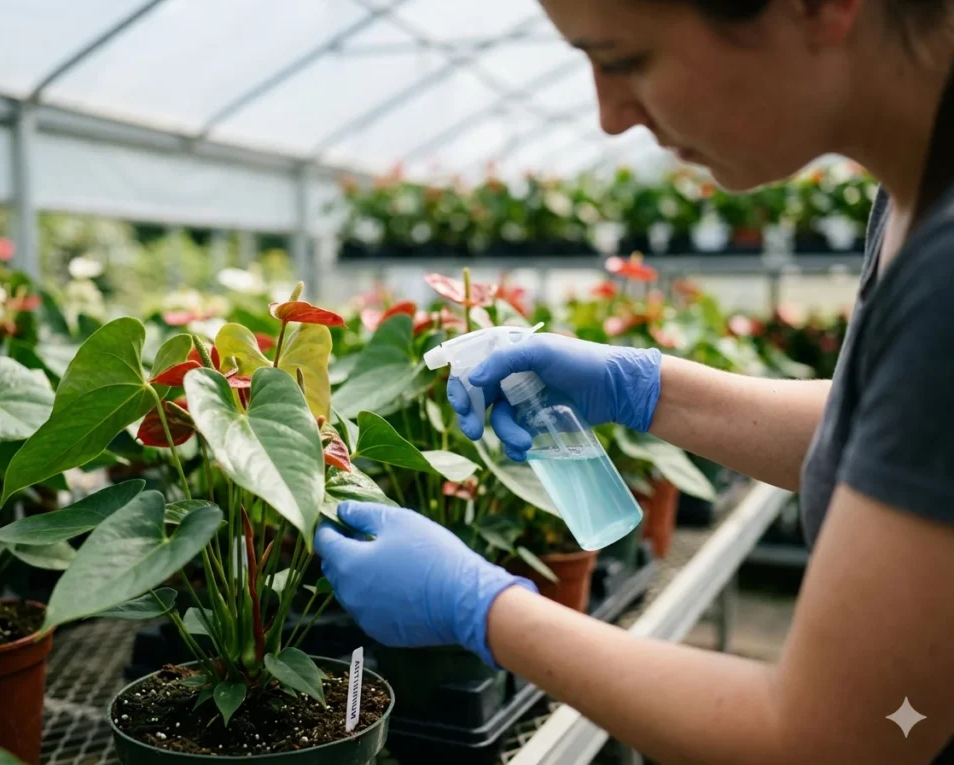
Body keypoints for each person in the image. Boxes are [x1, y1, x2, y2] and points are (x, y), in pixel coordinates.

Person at [315, 1, 954, 762]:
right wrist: (641, 386)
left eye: (622, 59)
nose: (610, 117)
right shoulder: (915, 187)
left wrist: (481, 608)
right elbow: (905, 440)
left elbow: (836, 740)